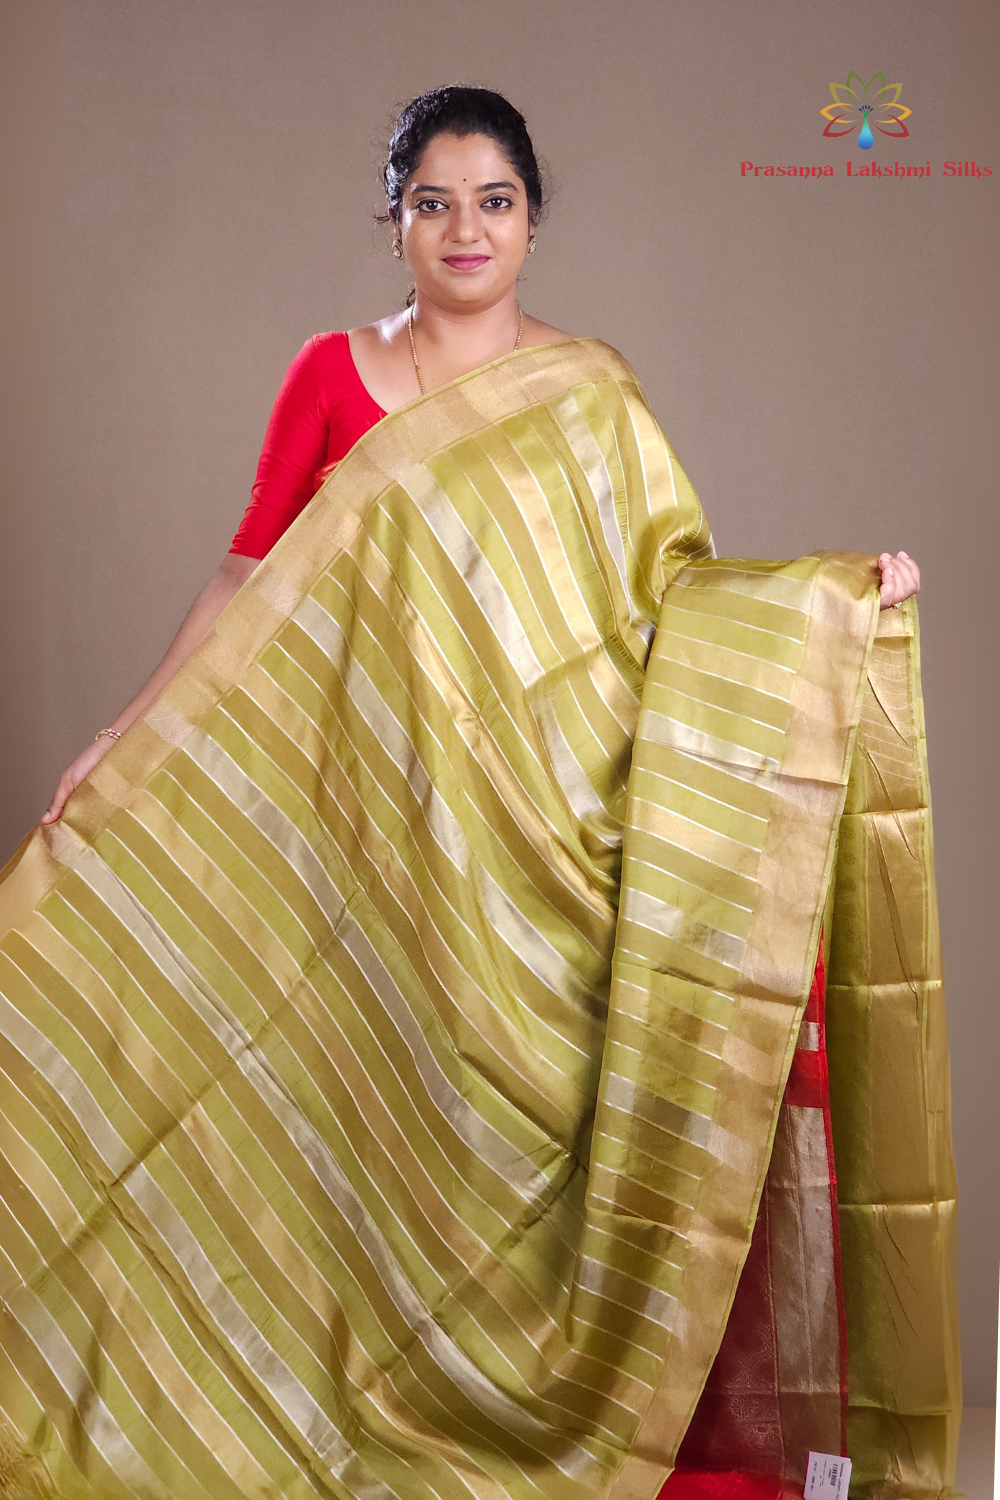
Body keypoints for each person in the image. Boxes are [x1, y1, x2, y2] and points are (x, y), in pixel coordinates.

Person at [1, 87, 956, 1500]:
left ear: (532, 221)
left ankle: (542, 1412)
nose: (464, 229)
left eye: (493, 201)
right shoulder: (330, 374)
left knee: (536, 1129)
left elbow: (673, 603)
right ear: (393, 220)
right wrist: (122, 731)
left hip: (544, 850)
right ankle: (273, 1392)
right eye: (433, 202)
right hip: (363, 843)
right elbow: (248, 576)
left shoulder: (589, 395)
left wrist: (835, 599)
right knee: (347, 1119)